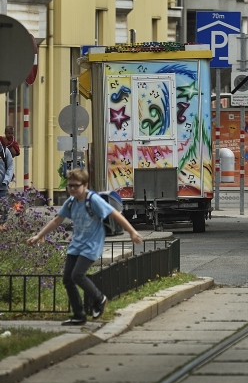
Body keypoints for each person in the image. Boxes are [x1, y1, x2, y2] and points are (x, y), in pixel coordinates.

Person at [28, 168, 143, 325]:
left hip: (92, 245)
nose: (73, 189)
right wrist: (39, 236)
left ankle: (99, 298)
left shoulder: (92, 200)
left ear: (85, 185)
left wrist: (132, 232)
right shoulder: (71, 202)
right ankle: (79, 315)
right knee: (67, 279)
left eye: (76, 185)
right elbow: (57, 220)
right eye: (70, 186)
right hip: (76, 244)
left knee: (77, 275)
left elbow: (114, 214)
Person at [0, 136, 14, 201]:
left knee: (3, 210)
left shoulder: (5, 151)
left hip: (2, 189)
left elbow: (10, 167)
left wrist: (6, 180)